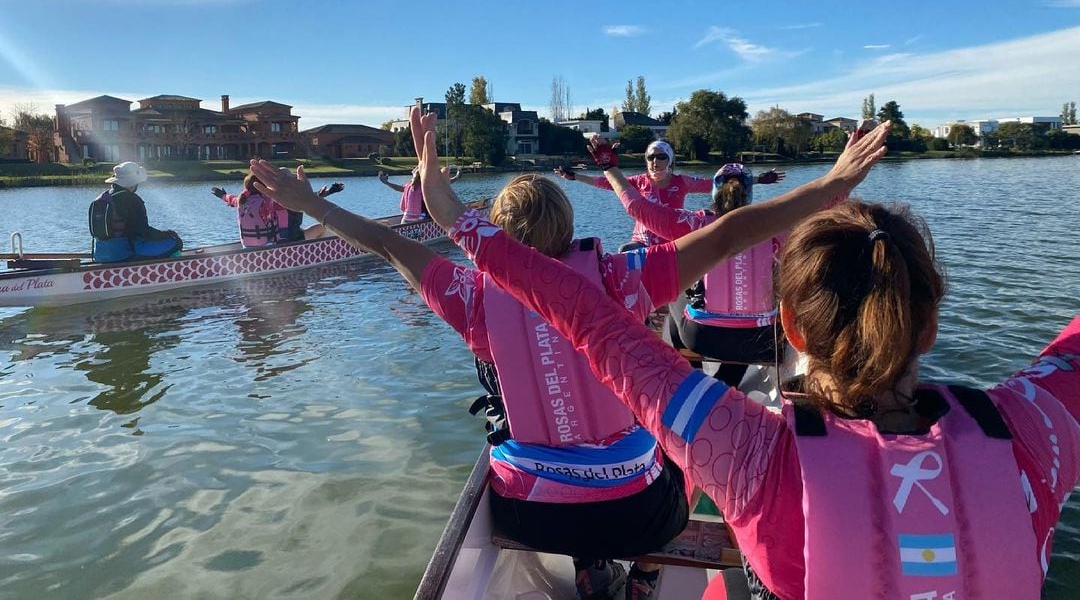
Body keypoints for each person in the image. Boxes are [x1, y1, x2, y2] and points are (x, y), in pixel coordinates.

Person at [414, 116, 1080, 600]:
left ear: (790, 323)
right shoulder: (1035, 434)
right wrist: (827, 192)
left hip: (696, 347)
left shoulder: (746, 456)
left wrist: (458, 219)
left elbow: (582, 315)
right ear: (927, 325)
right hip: (716, 335)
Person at [248, 113, 888, 600]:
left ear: (499, 236)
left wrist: (309, 205)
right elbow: (734, 230)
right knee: (678, 447)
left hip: (530, 514)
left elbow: (384, 241)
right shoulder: (619, 279)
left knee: (564, 465)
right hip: (638, 514)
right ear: (566, 230)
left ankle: (585, 572)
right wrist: (832, 185)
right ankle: (641, 574)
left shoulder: (471, 297)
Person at [603, 155, 792, 387]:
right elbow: (826, 203)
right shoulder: (774, 226)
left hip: (702, 337)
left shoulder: (694, 223)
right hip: (760, 340)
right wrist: (846, 171)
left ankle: (692, 376)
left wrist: (609, 167)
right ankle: (727, 380)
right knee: (758, 317)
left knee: (677, 287)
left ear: (714, 190)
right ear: (749, 193)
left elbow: (636, 207)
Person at [555, 139, 783, 248]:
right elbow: (606, 183)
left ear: (670, 160)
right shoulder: (637, 181)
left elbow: (714, 184)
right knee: (624, 251)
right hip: (642, 243)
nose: (655, 162)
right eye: (651, 157)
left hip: (672, 241)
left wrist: (758, 180)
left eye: (661, 157)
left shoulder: (681, 182)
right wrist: (575, 177)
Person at [88, 161, 183, 263]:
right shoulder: (132, 200)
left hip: (100, 255)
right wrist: (167, 234)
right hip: (124, 255)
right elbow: (143, 232)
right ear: (132, 183)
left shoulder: (102, 198)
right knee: (175, 243)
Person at [211, 176, 343, 246]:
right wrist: (328, 192)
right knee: (323, 227)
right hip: (279, 244)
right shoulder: (271, 201)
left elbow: (231, 199)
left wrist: (222, 195)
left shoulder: (242, 200)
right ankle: (327, 251)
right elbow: (304, 200)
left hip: (247, 246)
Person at [379, 167, 459, 223]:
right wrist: (456, 177)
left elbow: (398, 188)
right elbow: (442, 184)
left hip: (405, 220)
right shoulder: (425, 186)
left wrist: (386, 182)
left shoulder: (409, 185)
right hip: (419, 221)